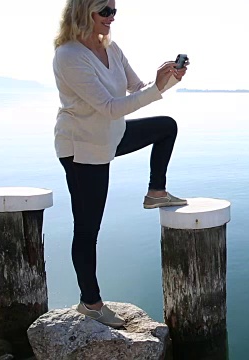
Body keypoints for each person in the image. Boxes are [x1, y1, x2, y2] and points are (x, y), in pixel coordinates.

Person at [53, 0, 189, 328]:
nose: (112, 17)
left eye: (114, 10)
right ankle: (92, 303)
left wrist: (168, 79)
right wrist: (156, 88)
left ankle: (156, 191)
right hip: (83, 148)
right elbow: (111, 107)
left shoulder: (112, 49)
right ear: (83, 11)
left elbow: (138, 90)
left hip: (111, 136)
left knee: (165, 126)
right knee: (87, 229)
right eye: (105, 10)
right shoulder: (69, 56)